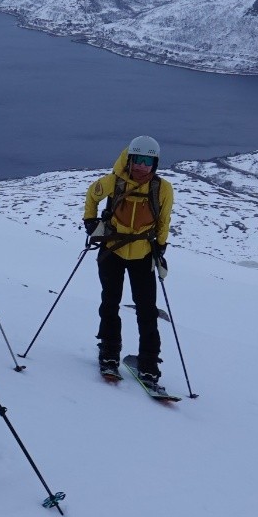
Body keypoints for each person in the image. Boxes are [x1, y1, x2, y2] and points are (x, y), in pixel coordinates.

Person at [83, 136, 174, 387]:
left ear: (154, 163)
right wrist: (90, 222)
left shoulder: (162, 188)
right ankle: (109, 352)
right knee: (110, 301)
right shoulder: (115, 182)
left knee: (147, 310)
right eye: (138, 160)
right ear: (129, 159)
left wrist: (161, 244)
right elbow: (93, 195)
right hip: (114, 249)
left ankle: (149, 363)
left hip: (143, 254)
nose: (142, 166)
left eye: (148, 161)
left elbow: (164, 219)